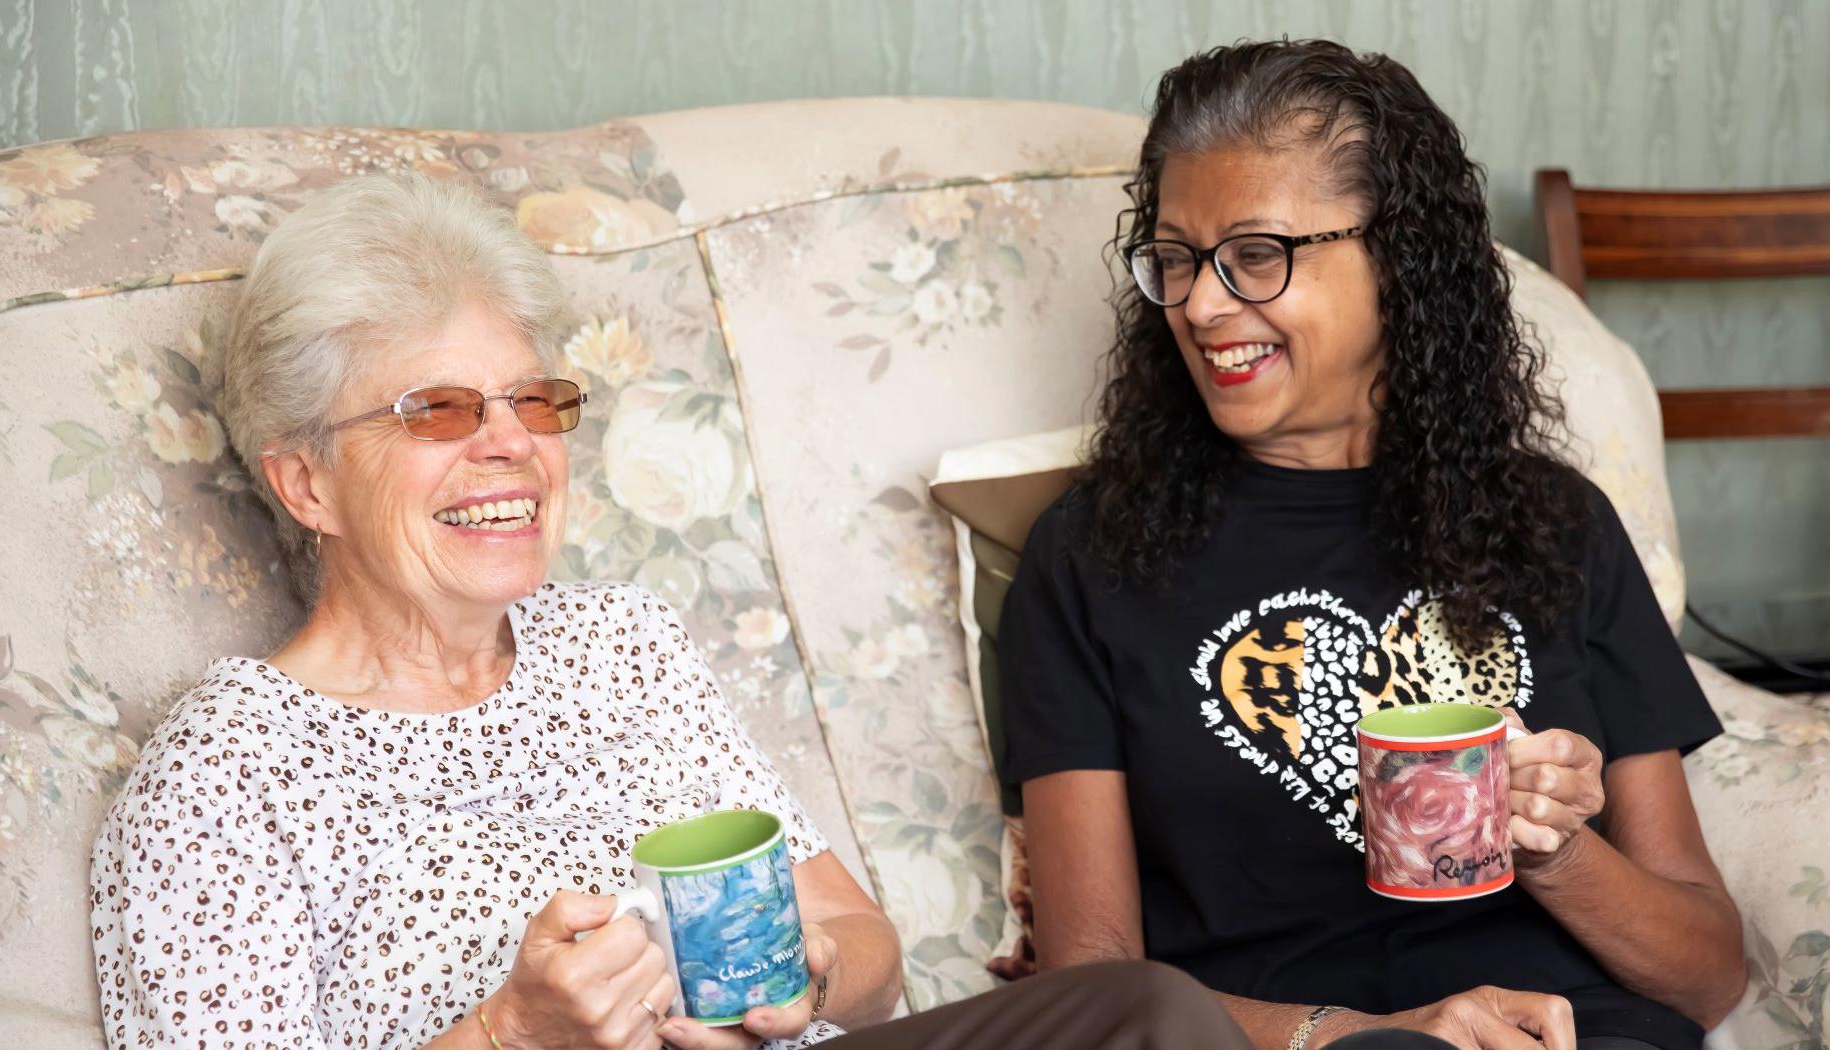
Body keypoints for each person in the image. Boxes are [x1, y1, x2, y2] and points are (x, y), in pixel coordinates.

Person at [87, 171, 1267, 1050]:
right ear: (304, 481)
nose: (509, 448)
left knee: (1144, 1013)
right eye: (437, 410)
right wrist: (508, 1037)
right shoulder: (226, 774)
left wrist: (799, 978)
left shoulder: (618, 648)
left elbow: (869, 954)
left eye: (533, 402)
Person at [1001, 38, 1746, 1050]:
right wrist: (1348, 1035)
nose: (1202, 305)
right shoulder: (1090, 556)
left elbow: (1705, 978)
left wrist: (1549, 849)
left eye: (1256, 255)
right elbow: (1089, 989)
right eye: (1174, 260)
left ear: (1395, 255)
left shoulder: (1554, 525)